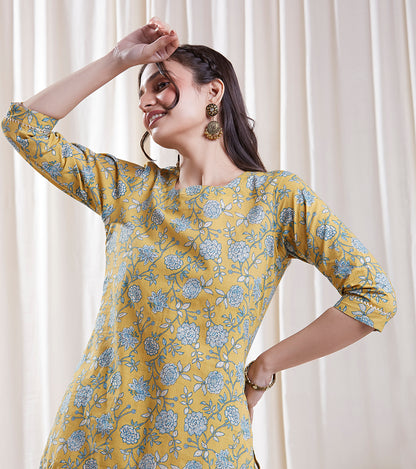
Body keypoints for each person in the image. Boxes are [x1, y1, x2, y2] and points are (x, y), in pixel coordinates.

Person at [2, 17, 396, 469]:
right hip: (94, 437)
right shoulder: (130, 192)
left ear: (213, 91)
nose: (146, 101)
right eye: (141, 94)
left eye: (161, 85)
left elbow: (373, 296)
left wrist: (265, 365)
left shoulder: (275, 200)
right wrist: (117, 59)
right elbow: (24, 127)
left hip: (205, 444)